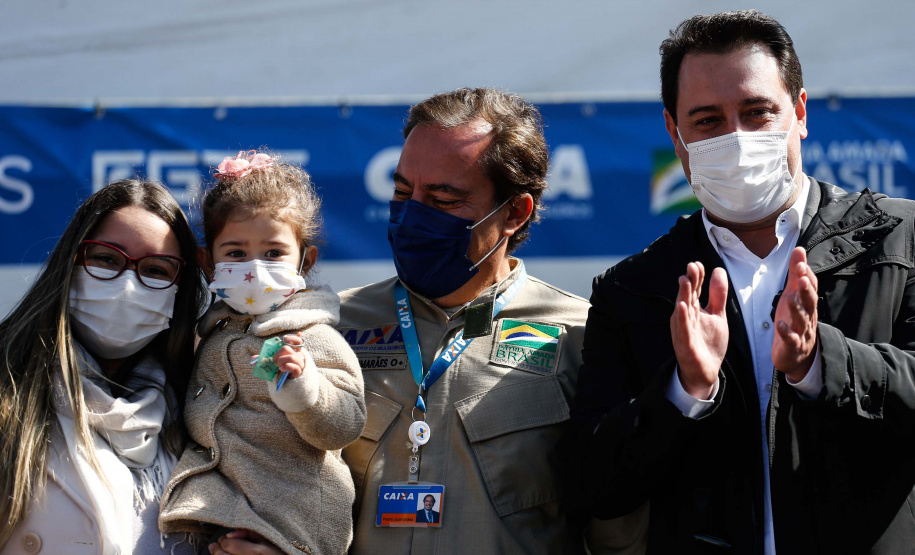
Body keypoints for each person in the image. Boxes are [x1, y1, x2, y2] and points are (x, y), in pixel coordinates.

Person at [566, 9, 915, 554]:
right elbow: (592, 486)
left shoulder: (901, 239)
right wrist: (684, 392)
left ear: (799, 112)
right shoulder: (633, 289)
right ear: (673, 132)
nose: (736, 138)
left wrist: (822, 363)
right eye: (707, 120)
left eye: (757, 112)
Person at [338, 88, 640, 555]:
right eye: (401, 191)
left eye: (442, 199)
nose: (412, 214)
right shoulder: (330, 328)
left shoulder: (582, 336)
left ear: (515, 214)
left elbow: (617, 533)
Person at [158, 150, 366, 555]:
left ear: (306, 262)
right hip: (222, 522)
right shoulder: (209, 335)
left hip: (295, 526)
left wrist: (305, 388)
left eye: (273, 253)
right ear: (207, 263)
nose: (254, 268)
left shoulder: (312, 336)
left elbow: (346, 425)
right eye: (236, 253)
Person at [0, 179, 207, 554]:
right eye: (107, 258)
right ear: (71, 263)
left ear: (180, 292)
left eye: (157, 270)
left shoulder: (201, 410)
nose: (128, 284)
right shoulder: (7, 389)